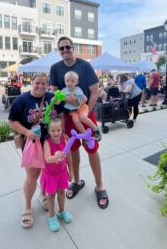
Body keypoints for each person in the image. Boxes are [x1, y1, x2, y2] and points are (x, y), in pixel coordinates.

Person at [49, 36, 109, 209]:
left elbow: (95, 92)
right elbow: (54, 95)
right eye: (61, 48)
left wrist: (87, 113)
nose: (65, 50)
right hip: (67, 117)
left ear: (73, 48)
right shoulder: (55, 68)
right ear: (59, 51)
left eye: (68, 47)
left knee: (92, 149)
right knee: (73, 150)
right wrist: (65, 102)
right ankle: (76, 182)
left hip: (85, 112)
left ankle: (100, 186)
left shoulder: (85, 66)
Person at [8, 73, 63, 228]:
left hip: (51, 143)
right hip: (33, 144)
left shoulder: (52, 97)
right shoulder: (22, 100)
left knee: (48, 172)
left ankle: (43, 194)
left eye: (44, 83)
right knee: (32, 176)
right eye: (37, 83)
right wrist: (27, 132)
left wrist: (62, 130)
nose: (40, 86)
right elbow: (12, 121)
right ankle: (27, 206)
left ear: (47, 85)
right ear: (31, 83)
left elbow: (60, 113)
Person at [41, 118, 73, 232]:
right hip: (50, 175)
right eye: (53, 130)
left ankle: (62, 211)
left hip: (62, 173)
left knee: (61, 193)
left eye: (58, 130)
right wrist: (57, 156)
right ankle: (51, 216)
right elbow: (47, 159)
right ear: (49, 131)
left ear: (62, 130)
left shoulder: (64, 140)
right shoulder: (47, 142)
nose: (56, 133)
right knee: (51, 195)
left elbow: (69, 157)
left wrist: (71, 170)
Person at [62, 71, 101, 141]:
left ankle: (95, 129)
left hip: (82, 107)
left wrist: (82, 98)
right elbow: (58, 97)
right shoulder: (63, 91)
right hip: (73, 111)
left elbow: (84, 99)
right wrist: (61, 97)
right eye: (67, 81)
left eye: (72, 81)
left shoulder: (78, 90)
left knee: (83, 117)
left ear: (76, 82)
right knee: (76, 120)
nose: (70, 83)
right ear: (64, 82)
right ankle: (85, 135)